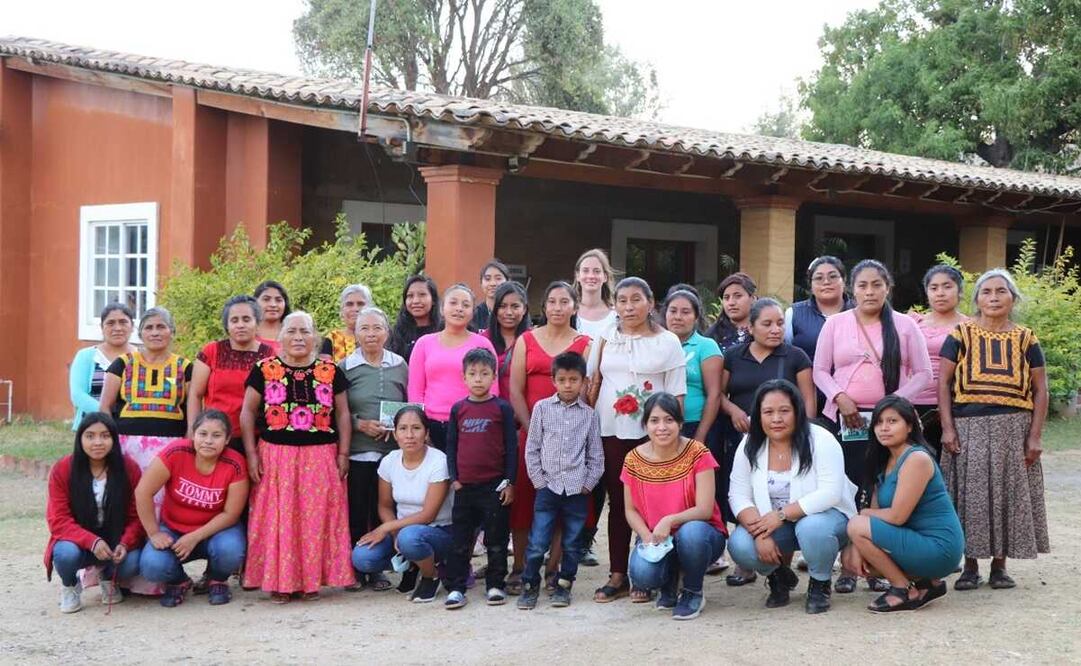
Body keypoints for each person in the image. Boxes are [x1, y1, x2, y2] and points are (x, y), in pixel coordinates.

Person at [812, 259, 932, 593]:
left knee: (880, 487)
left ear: (887, 287)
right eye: (862, 285)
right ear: (851, 289)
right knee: (849, 485)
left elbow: (924, 373)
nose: (869, 291)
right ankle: (848, 564)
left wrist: (891, 405)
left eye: (876, 285)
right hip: (846, 419)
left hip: (888, 423)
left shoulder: (905, 325)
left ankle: (879, 563)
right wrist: (839, 397)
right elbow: (819, 369)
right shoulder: (835, 324)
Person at [939, 269, 1050, 591]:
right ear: (976, 300)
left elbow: (1041, 389)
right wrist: (948, 428)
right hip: (968, 427)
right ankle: (970, 566)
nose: (994, 297)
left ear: (1012, 298)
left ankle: (1000, 566)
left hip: (1014, 429)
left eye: (1001, 291)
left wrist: (1035, 435)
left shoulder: (1026, 338)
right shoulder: (960, 334)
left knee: (1007, 497)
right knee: (971, 498)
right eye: (986, 292)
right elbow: (943, 383)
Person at [240, 311, 355, 602]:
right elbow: (247, 413)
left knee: (315, 521)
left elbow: (343, 413)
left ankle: (311, 583)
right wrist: (252, 455)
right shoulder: (264, 369)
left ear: (315, 337)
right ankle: (280, 582)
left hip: (321, 455)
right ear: (280, 337)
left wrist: (343, 452)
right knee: (279, 520)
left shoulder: (330, 371)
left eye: (305, 332)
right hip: (276, 455)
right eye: (291, 332)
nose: (298, 338)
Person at [590, 277, 687, 603]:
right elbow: (594, 382)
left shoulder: (668, 342)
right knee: (619, 501)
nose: (628, 307)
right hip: (610, 430)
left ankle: (653, 569)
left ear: (651, 302)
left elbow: (677, 396)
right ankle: (618, 573)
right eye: (622, 300)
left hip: (653, 434)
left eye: (636, 299)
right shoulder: (606, 337)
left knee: (655, 502)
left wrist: (672, 438)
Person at [727, 379, 858, 614]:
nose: (776, 419)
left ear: (797, 411)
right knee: (739, 544)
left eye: (784, 411)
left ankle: (819, 583)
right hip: (773, 523)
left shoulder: (821, 439)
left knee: (812, 528)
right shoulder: (750, 443)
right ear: (758, 414)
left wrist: (780, 515)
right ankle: (779, 578)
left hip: (826, 518)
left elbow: (830, 492)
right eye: (768, 412)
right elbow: (738, 493)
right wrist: (759, 532)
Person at [719, 298, 816, 586]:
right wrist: (734, 410)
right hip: (742, 439)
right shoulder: (734, 356)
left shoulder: (795, 356)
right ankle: (747, 564)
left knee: (780, 494)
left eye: (780, 323)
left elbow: (807, 401)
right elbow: (719, 395)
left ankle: (780, 565)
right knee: (744, 491)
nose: (775, 330)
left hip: (787, 439)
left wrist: (804, 435)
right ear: (750, 327)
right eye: (767, 324)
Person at [842, 396, 964, 612]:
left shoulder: (916, 458)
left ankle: (902, 589)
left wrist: (862, 515)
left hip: (939, 547)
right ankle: (927, 583)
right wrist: (857, 545)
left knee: (856, 525)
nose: (884, 428)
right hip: (916, 541)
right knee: (854, 558)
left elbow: (896, 517)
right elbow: (877, 513)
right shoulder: (883, 461)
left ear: (909, 426)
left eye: (892, 421)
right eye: (879, 422)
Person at [507, 281, 592, 590]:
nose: (557, 307)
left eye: (564, 301)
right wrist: (533, 429)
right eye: (552, 301)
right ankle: (519, 566)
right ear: (543, 307)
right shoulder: (526, 340)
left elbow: (588, 391)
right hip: (529, 433)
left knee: (563, 502)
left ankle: (553, 570)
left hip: (570, 439)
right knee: (525, 502)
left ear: (575, 306)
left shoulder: (587, 343)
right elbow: (515, 389)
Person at [622, 393, 727, 620]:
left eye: (669, 420)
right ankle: (669, 581)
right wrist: (645, 535)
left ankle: (692, 590)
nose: (662, 427)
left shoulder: (698, 453)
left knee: (691, 534)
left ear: (680, 423)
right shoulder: (633, 459)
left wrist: (669, 520)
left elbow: (705, 509)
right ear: (645, 424)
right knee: (642, 575)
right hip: (658, 538)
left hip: (700, 535)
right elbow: (630, 510)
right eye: (654, 420)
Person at [516, 351, 604, 610]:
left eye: (574, 380)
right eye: (562, 379)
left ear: (583, 381)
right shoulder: (542, 409)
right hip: (548, 488)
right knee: (538, 541)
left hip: (577, 490)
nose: (568, 385)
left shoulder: (589, 415)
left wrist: (588, 483)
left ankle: (563, 586)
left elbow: (595, 455)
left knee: (572, 543)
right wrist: (539, 481)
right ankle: (530, 586)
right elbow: (531, 448)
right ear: (553, 380)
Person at [136, 410, 249, 607]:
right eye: (202, 434)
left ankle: (216, 578)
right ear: (193, 434)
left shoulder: (235, 464)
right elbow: (142, 492)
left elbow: (231, 514)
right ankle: (179, 581)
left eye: (216, 436)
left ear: (227, 439)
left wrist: (195, 537)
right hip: (174, 529)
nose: (208, 441)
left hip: (216, 532)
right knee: (152, 566)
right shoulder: (176, 452)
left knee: (231, 551)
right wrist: (154, 533)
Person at [351, 406, 454, 603]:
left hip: (438, 531)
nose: (409, 435)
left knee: (410, 538)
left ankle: (431, 575)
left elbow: (428, 515)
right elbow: (385, 506)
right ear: (395, 434)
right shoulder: (389, 461)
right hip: (404, 531)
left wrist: (388, 528)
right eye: (403, 429)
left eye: (416, 428)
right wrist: (395, 533)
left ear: (426, 433)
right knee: (362, 557)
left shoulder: (438, 461)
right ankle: (412, 565)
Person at [45, 413, 143, 613]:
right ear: (79, 438)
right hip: (79, 544)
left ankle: (107, 577)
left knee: (133, 560)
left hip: (114, 542)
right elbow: (58, 520)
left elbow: (137, 517)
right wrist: (92, 541)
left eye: (105, 436)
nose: (98, 442)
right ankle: (70, 585)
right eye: (90, 436)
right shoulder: (63, 469)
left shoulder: (128, 468)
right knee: (65, 554)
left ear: (114, 439)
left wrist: (125, 542)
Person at [443, 348, 517, 609]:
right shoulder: (458, 410)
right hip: (465, 487)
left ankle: (496, 585)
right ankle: (456, 588)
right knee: (461, 541)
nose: (478, 379)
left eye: (484, 374)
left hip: (495, 487)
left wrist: (510, 481)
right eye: (472, 374)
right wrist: (455, 479)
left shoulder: (502, 409)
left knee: (496, 540)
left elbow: (511, 447)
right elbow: (451, 446)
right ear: (463, 377)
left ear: (493, 377)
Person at [340, 306, 408, 590]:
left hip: (392, 454)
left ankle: (378, 568)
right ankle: (355, 568)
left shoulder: (400, 364)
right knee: (357, 509)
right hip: (358, 452)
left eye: (377, 328)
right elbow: (338, 411)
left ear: (387, 332)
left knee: (384, 509)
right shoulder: (345, 367)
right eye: (364, 329)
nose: (371, 334)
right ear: (355, 334)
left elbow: (410, 402)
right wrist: (359, 424)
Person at [98, 307, 193, 509]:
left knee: (165, 501)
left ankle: (159, 539)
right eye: (149, 328)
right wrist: (111, 443)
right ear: (140, 334)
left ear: (172, 332)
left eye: (161, 327)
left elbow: (193, 411)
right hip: (127, 448)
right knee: (126, 500)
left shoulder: (185, 367)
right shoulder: (122, 364)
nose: (155, 332)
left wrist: (188, 443)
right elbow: (104, 407)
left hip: (170, 450)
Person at [408, 284, 499, 450]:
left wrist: (482, 423)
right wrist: (418, 427)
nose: (459, 309)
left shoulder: (482, 344)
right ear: (442, 308)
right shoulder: (424, 343)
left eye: (465, 305)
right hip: (432, 424)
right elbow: (415, 390)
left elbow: (492, 389)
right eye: (453, 303)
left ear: (472, 312)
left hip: (471, 424)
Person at [187, 295, 275, 453]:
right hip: (213, 438)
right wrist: (192, 431)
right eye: (234, 320)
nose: (240, 325)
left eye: (247, 319)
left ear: (257, 323)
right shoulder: (211, 351)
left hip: (257, 438)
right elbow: (195, 394)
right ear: (227, 325)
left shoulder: (270, 356)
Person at [908, 265, 968, 459]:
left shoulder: (971, 327)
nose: (940, 293)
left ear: (959, 291)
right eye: (934, 288)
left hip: (955, 407)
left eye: (947, 287)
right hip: (914, 405)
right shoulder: (913, 323)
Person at [664, 289, 722, 445]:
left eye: (685, 312)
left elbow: (714, 394)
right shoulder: (655, 345)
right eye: (673, 311)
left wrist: (700, 436)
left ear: (696, 317)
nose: (678, 317)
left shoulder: (706, 346)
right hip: (659, 425)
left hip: (695, 424)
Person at [69, 303, 137, 428]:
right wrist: (108, 417)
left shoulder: (141, 357)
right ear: (102, 327)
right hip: (92, 428)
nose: (117, 328)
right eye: (110, 323)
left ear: (132, 326)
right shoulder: (86, 356)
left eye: (123, 322)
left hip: (132, 428)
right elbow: (78, 395)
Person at [784, 256, 853, 362]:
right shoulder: (793, 314)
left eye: (833, 276)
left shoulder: (860, 312)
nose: (826, 282)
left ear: (844, 281)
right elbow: (785, 351)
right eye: (819, 278)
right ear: (810, 285)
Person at [573, 248, 619, 373]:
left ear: (605, 277)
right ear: (578, 275)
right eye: (585, 271)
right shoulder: (569, 313)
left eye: (596, 271)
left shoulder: (617, 316)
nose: (591, 276)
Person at [486, 281, 530, 400]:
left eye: (515, 306)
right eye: (502, 306)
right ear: (495, 309)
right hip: (491, 412)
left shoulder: (533, 340)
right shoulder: (483, 340)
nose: (509, 312)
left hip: (524, 412)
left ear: (524, 309)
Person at [388, 275, 442, 362]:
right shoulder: (398, 333)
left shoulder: (443, 331)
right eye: (410, 296)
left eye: (422, 295)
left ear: (433, 300)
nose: (416, 301)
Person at [705, 272, 757, 350]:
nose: (731, 303)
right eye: (726, 297)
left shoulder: (762, 331)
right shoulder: (712, 334)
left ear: (753, 298)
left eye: (738, 296)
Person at [322, 284, 373, 362]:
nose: (355, 309)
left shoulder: (379, 337)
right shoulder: (331, 339)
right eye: (349, 304)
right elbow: (322, 371)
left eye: (360, 304)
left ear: (370, 308)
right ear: (342, 310)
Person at [472, 259, 511, 331]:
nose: (493, 283)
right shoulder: (474, 314)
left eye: (498, 278)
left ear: (508, 282)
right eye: (487, 279)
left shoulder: (514, 312)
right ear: (481, 283)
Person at [253, 280, 291, 351]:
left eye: (278, 300)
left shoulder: (295, 334)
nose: (273, 304)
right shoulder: (246, 334)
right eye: (266, 299)